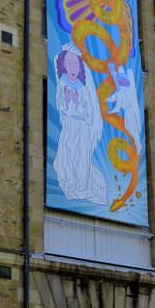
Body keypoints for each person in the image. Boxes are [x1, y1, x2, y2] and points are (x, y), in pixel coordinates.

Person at [53, 44, 106, 204]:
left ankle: (82, 186)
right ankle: (70, 184)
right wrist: (67, 101)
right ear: (63, 65)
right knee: (66, 155)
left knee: (81, 157)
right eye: (70, 63)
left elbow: (90, 113)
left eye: (76, 64)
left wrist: (79, 105)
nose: (73, 67)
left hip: (81, 129)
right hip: (69, 127)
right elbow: (60, 106)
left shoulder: (83, 89)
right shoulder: (62, 84)